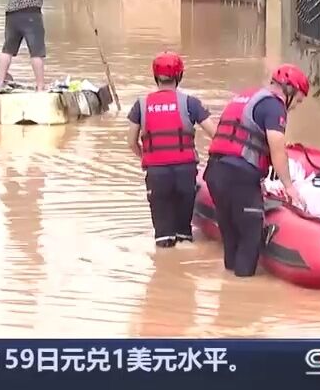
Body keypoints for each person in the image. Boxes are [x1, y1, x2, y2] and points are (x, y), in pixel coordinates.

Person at [203, 64, 310, 277]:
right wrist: (290, 188)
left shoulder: (245, 97)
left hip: (215, 173)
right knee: (250, 238)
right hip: (239, 177)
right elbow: (278, 149)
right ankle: (244, 295)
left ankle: (228, 295)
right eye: (298, 100)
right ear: (289, 89)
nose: (295, 106)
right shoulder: (274, 106)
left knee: (231, 236)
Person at [127, 52, 218, 248]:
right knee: (184, 234)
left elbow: (131, 141)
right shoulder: (190, 103)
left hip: (156, 173)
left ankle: (165, 269)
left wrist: (147, 156)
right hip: (185, 172)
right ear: (180, 75)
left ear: (155, 76)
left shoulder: (140, 105)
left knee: (163, 238)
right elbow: (216, 135)